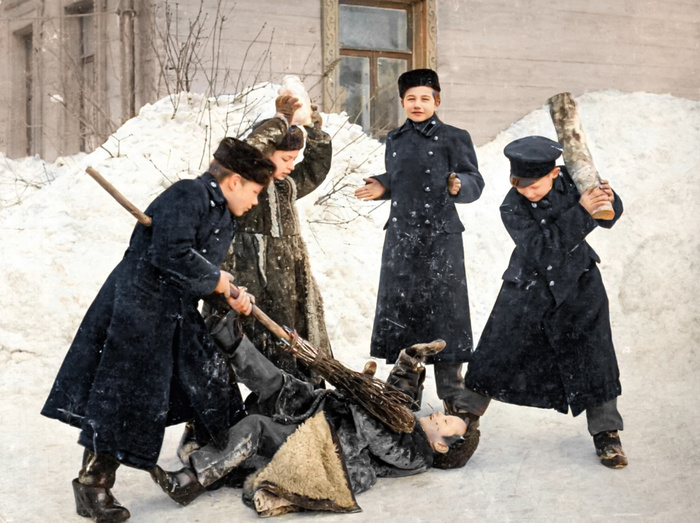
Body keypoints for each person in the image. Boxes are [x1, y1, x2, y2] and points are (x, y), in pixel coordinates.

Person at [40, 137, 276, 522]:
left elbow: (195, 272)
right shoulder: (187, 195)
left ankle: (209, 461)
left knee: (211, 378)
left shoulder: (222, 213)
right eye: (254, 191)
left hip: (175, 309)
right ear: (234, 181)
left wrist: (227, 293)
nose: (255, 201)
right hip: (138, 307)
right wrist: (216, 279)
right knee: (126, 396)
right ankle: (92, 486)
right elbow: (170, 255)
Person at [150, 312, 480, 515]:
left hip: (322, 442)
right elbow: (396, 397)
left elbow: (377, 433)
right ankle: (230, 339)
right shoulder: (409, 420)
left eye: (446, 423)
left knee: (257, 427)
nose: (439, 416)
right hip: (322, 409)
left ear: (440, 445)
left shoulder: (416, 454)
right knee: (277, 383)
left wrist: (356, 393)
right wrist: (411, 359)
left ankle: (190, 480)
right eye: (446, 415)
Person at [459, 135, 627, 469]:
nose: (526, 192)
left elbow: (608, 217)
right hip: (527, 284)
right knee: (496, 350)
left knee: (595, 356)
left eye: (534, 185)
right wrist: (582, 211)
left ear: (554, 173)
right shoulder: (512, 206)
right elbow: (542, 248)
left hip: (580, 284)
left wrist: (608, 198)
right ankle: (463, 416)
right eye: (518, 184)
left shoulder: (576, 183)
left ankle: (607, 434)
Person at [354, 68, 484, 414]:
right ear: (402, 102)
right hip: (403, 238)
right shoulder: (395, 139)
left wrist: (460, 185)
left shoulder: (455, 137)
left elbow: (475, 179)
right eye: (410, 98)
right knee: (405, 312)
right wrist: (384, 185)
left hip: (441, 238)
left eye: (425, 98)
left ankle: (453, 395)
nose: (417, 104)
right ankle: (405, 392)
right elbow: (404, 177)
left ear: (436, 101)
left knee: (446, 315)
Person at [220, 96, 333, 386]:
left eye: (294, 159)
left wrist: (313, 127)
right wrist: (280, 122)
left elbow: (317, 167)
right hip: (249, 273)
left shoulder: (287, 185)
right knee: (243, 340)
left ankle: (296, 393)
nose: (292, 166)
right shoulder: (243, 185)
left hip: (288, 278)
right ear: (267, 153)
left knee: (289, 338)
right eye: (285, 159)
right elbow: (248, 151)